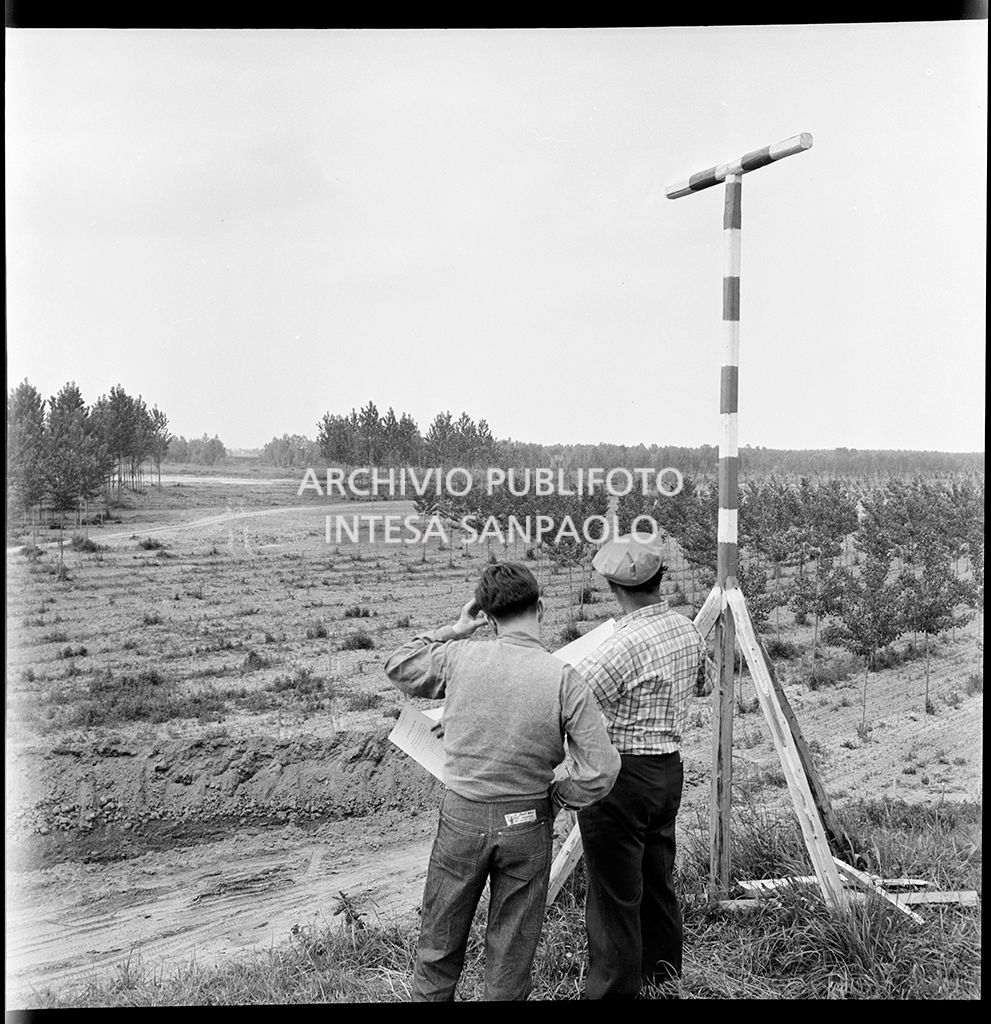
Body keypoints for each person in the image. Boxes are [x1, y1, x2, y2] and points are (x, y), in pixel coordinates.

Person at [384, 561, 621, 1002]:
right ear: (541, 609)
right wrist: (558, 797)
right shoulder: (564, 679)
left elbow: (398, 665)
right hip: (528, 822)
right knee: (511, 957)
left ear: (488, 619)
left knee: (437, 948)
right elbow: (602, 770)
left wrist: (455, 630)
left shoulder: (459, 657)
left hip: (462, 818)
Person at [575, 532, 708, 1000]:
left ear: (613, 587)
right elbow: (703, 682)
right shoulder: (685, 628)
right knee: (657, 879)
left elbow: (570, 701)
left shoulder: (620, 647)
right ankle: (663, 975)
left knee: (613, 896)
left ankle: (612, 992)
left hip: (620, 779)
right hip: (667, 770)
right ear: (659, 579)